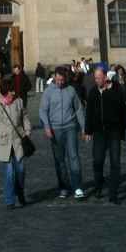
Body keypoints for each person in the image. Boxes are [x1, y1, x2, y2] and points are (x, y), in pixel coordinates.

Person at [38, 65, 86, 199]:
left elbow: (78, 109)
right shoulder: (48, 92)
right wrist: (47, 127)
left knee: (74, 157)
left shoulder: (71, 90)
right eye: (58, 80)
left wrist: (84, 127)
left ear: (65, 78)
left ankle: (77, 186)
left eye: (62, 80)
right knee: (59, 160)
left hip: (70, 127)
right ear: (54, 77)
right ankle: (64, 186)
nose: (59, 82)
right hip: (55, 129)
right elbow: (43, 110)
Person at [0, 76, 32, 210]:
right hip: (4, 141)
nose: (13, 93)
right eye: (10, 91)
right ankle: (9, 200)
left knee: (21, 169)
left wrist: (27, 130)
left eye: (13, 90)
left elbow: (25, 117)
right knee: (9, 171)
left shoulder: (19, 102)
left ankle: (19, 191)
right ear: (5, 91)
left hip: (18, 140)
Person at [83, 66, 126, 205]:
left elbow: (122, 108)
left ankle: (113, 193)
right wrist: (87, 131)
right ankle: (98, 185)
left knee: (115, 162)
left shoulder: (115, 90)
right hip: (99, 132)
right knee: (98, 160)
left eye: (99, 78)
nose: (96, 80)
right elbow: (88, 112)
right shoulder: (93, 92)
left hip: (113, 131)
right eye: (95, 78)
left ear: (105, 78)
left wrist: (121, 129)